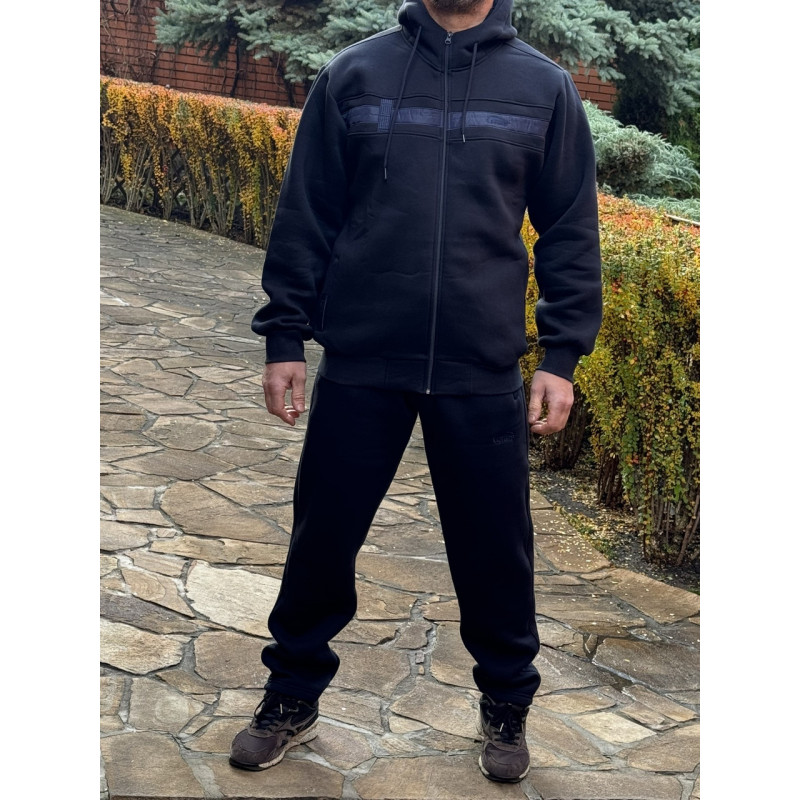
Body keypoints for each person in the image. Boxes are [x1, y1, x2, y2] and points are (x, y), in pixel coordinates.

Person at [230, 0, 602, 784]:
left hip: (480, 369)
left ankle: (506, 704)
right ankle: (291, 693)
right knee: (321, 540)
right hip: (364, 359)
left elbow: (570, 229)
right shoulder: (354, 75)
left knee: (497, 554)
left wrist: (562, 354)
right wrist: (285, 336)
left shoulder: (544, 88)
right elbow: (307, 212)